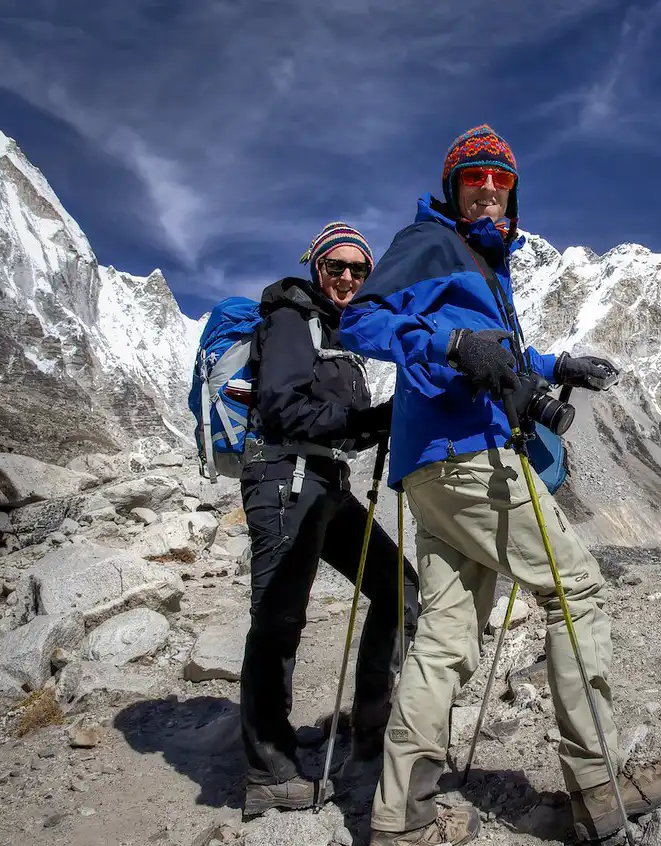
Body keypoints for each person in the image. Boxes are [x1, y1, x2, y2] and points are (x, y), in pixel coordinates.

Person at [339, 125, 661, 845]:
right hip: (469, 455)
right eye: (475, 180)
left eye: (501, 182)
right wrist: (450, 345)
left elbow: (496, 353)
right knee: (576, 590)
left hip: (429, 468)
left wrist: (557, 366)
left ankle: (400, 817)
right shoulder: (432, 243)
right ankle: (598, 790)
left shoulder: (482, 264)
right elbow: (363, 319)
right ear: (453, 189)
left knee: (444, 634)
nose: (490, 189)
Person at [237, 221, 421, 818]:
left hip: (325, 484)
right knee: (279, 619)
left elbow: (340, 420)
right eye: (334, 267)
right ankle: (270, 770)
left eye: (358, 270)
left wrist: (383, 421)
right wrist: (368, 422)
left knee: (399, 587)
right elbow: (283, 406)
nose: (346, 278)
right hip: (284, 481)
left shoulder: (342, 337)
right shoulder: (293, 320)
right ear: (315, 267)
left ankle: (373, 724)